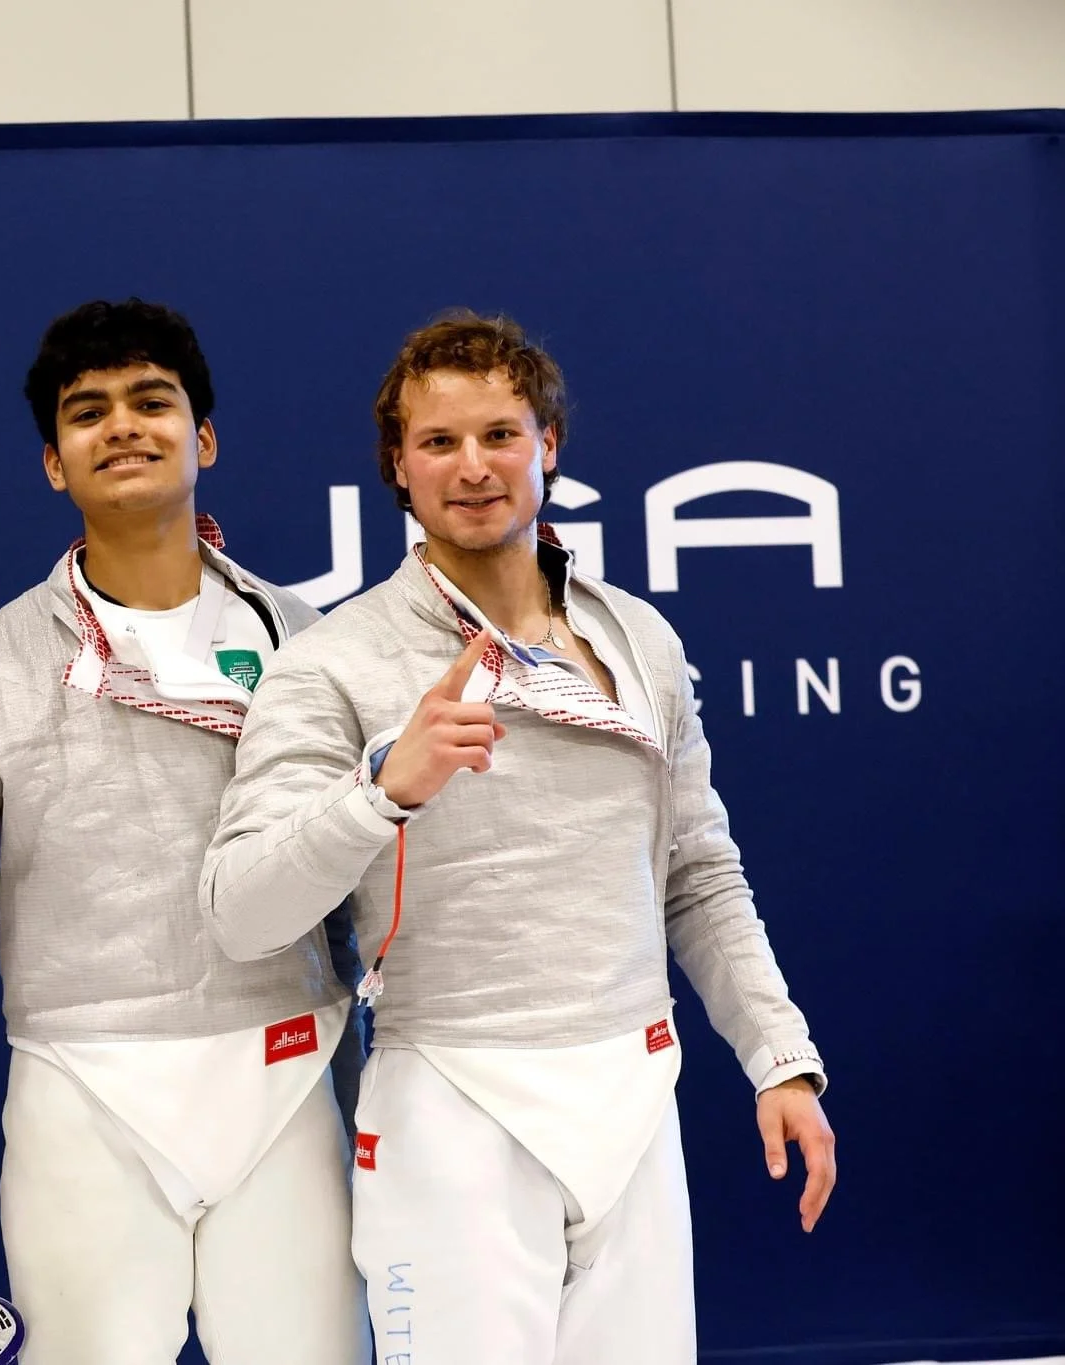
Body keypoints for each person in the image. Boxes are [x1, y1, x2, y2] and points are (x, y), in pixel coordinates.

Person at [200, 310, 837, 1364]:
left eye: (498, 434)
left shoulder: (637, 636)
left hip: (631, 1088)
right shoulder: (333, 663)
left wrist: (778, 1059)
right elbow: (240, 912)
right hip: (452, 1106)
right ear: (396, 471)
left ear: (548, 447)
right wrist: (382, 791)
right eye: (437, 442)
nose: (472, 467)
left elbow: (696, 874)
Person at [0, 299, 367, 1364]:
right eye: (88, 412)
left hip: (287, 1068)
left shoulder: (309, 644)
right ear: (51, 463)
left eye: (149, 402)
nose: (120, 426)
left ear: (201, 437)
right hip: (85, 1092)